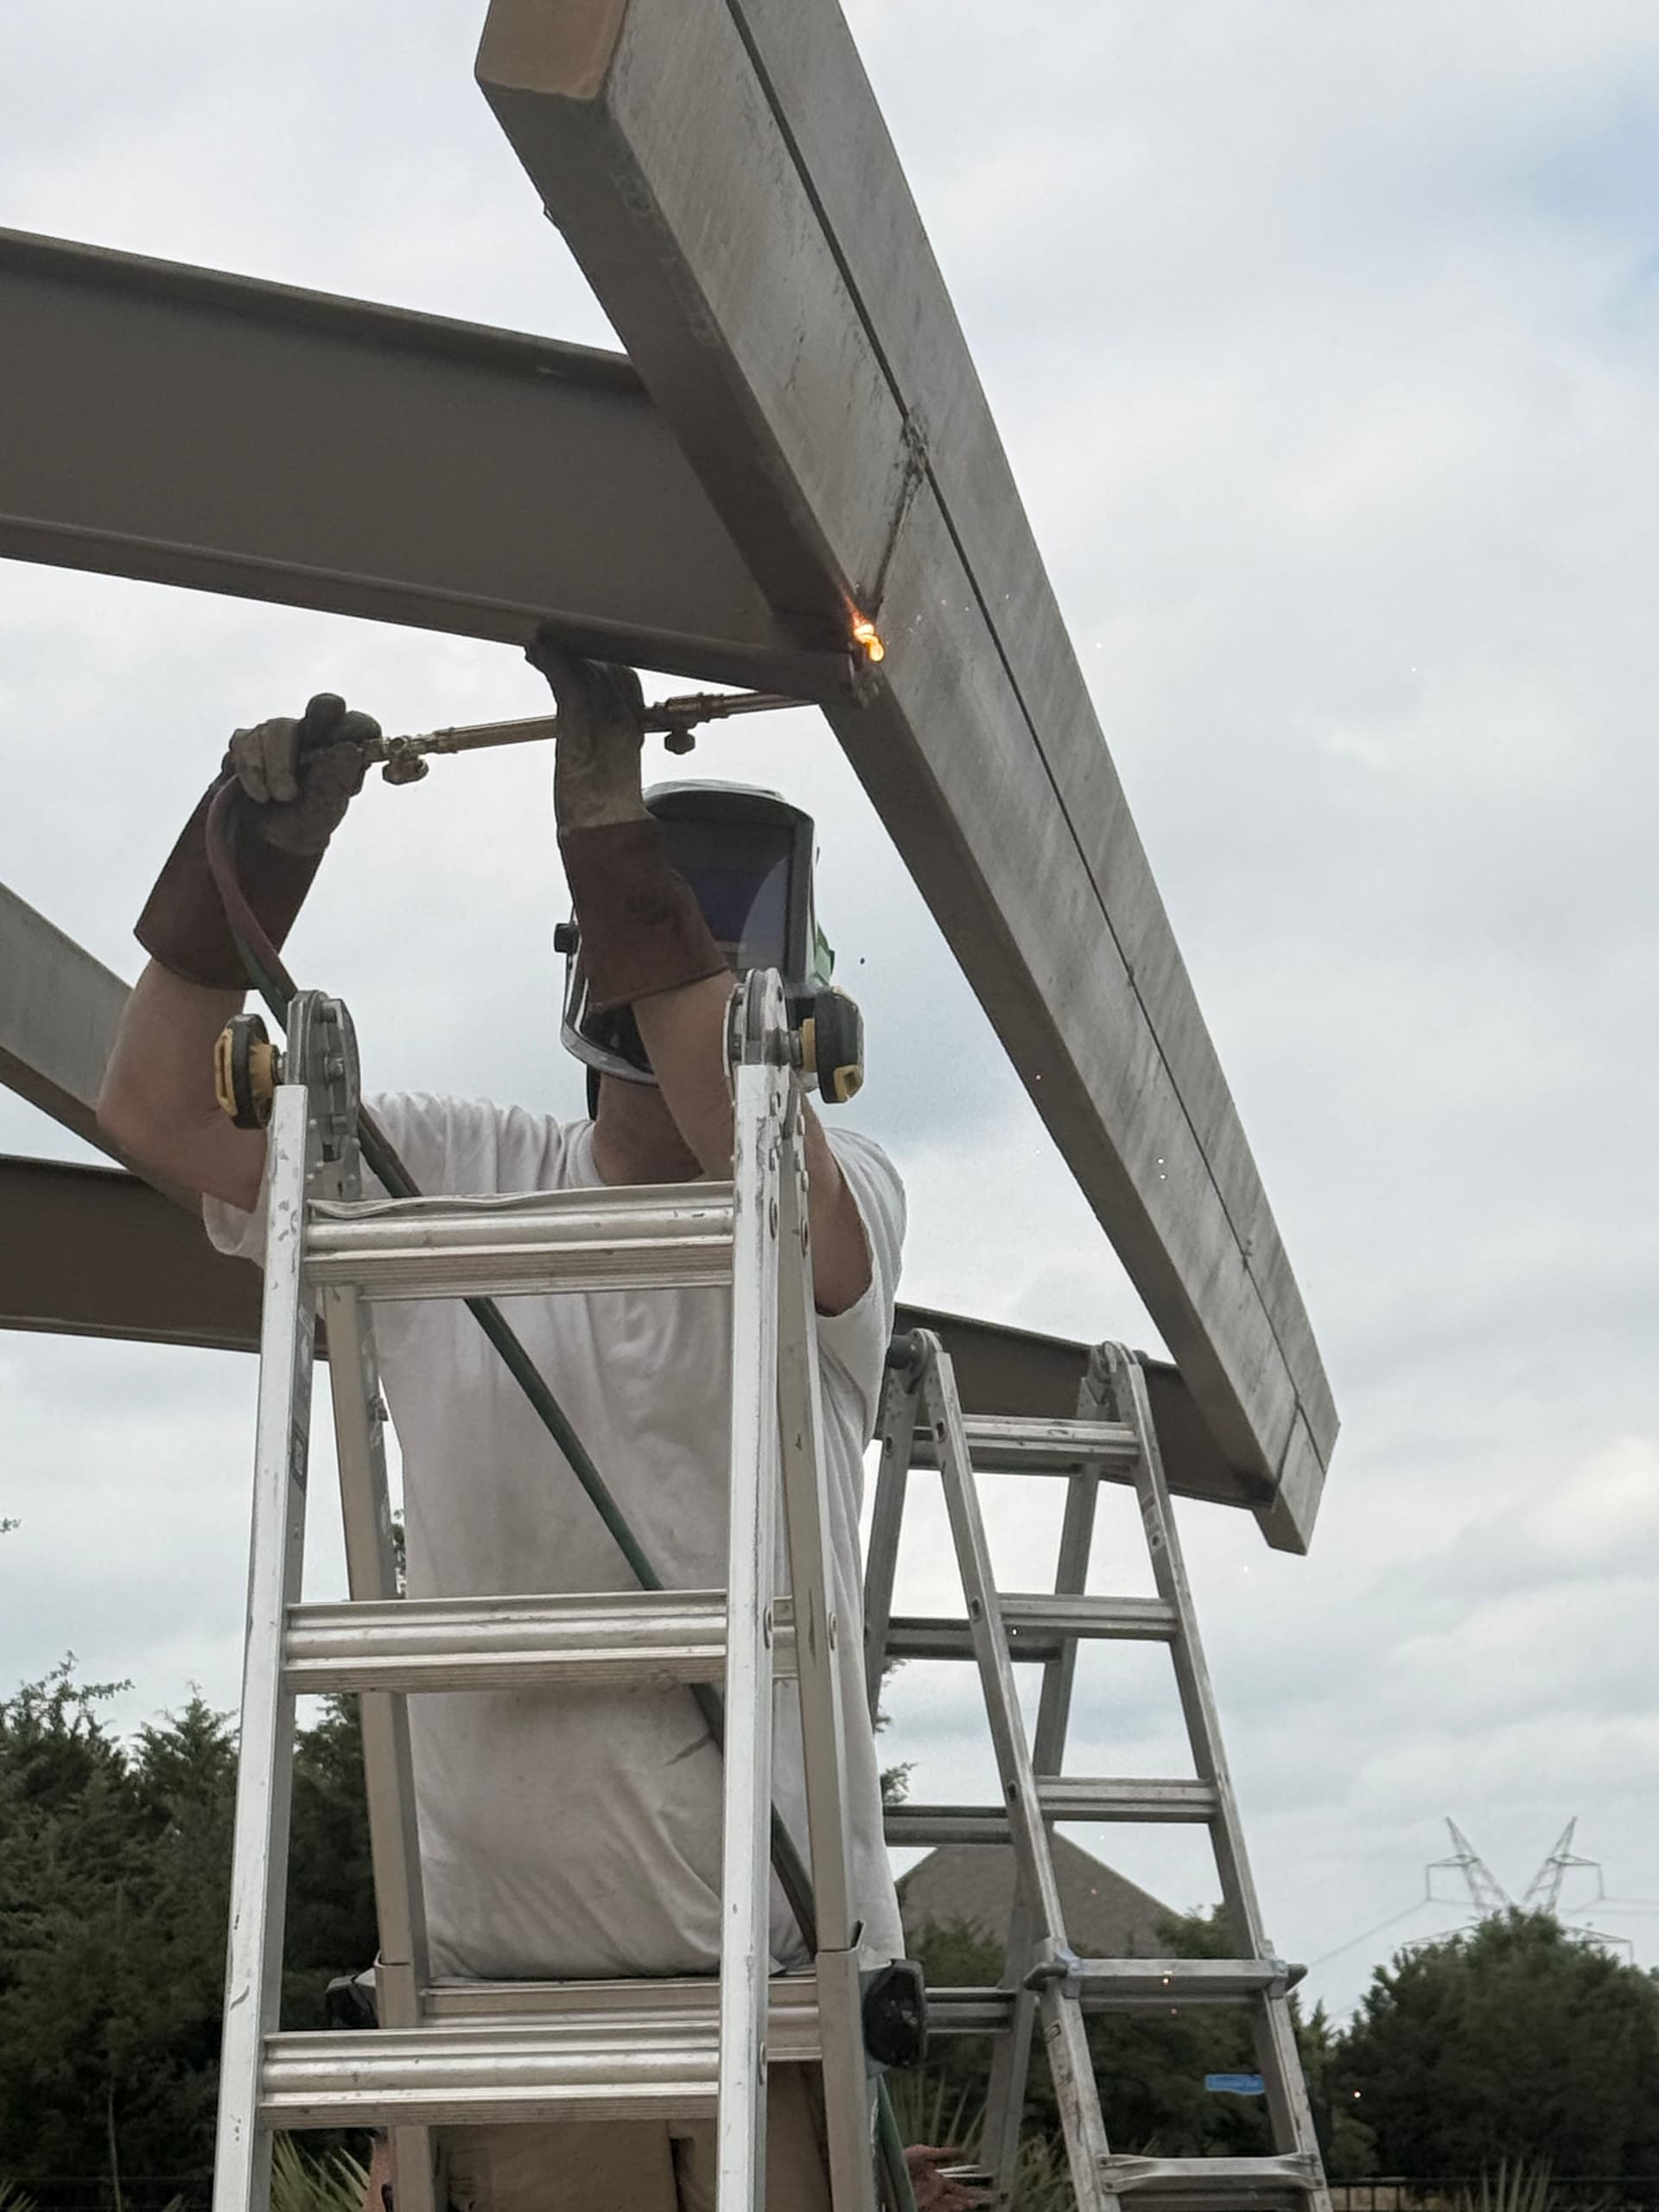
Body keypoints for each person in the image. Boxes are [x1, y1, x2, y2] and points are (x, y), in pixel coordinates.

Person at [97, 640, 985, 2212]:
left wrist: (606, 818)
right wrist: (245, 864)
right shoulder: (447, 1173)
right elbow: (157, 1109)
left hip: (768, 2000)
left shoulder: (830, 1216)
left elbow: (739, 1117)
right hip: (485, 2014)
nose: (675, 999)